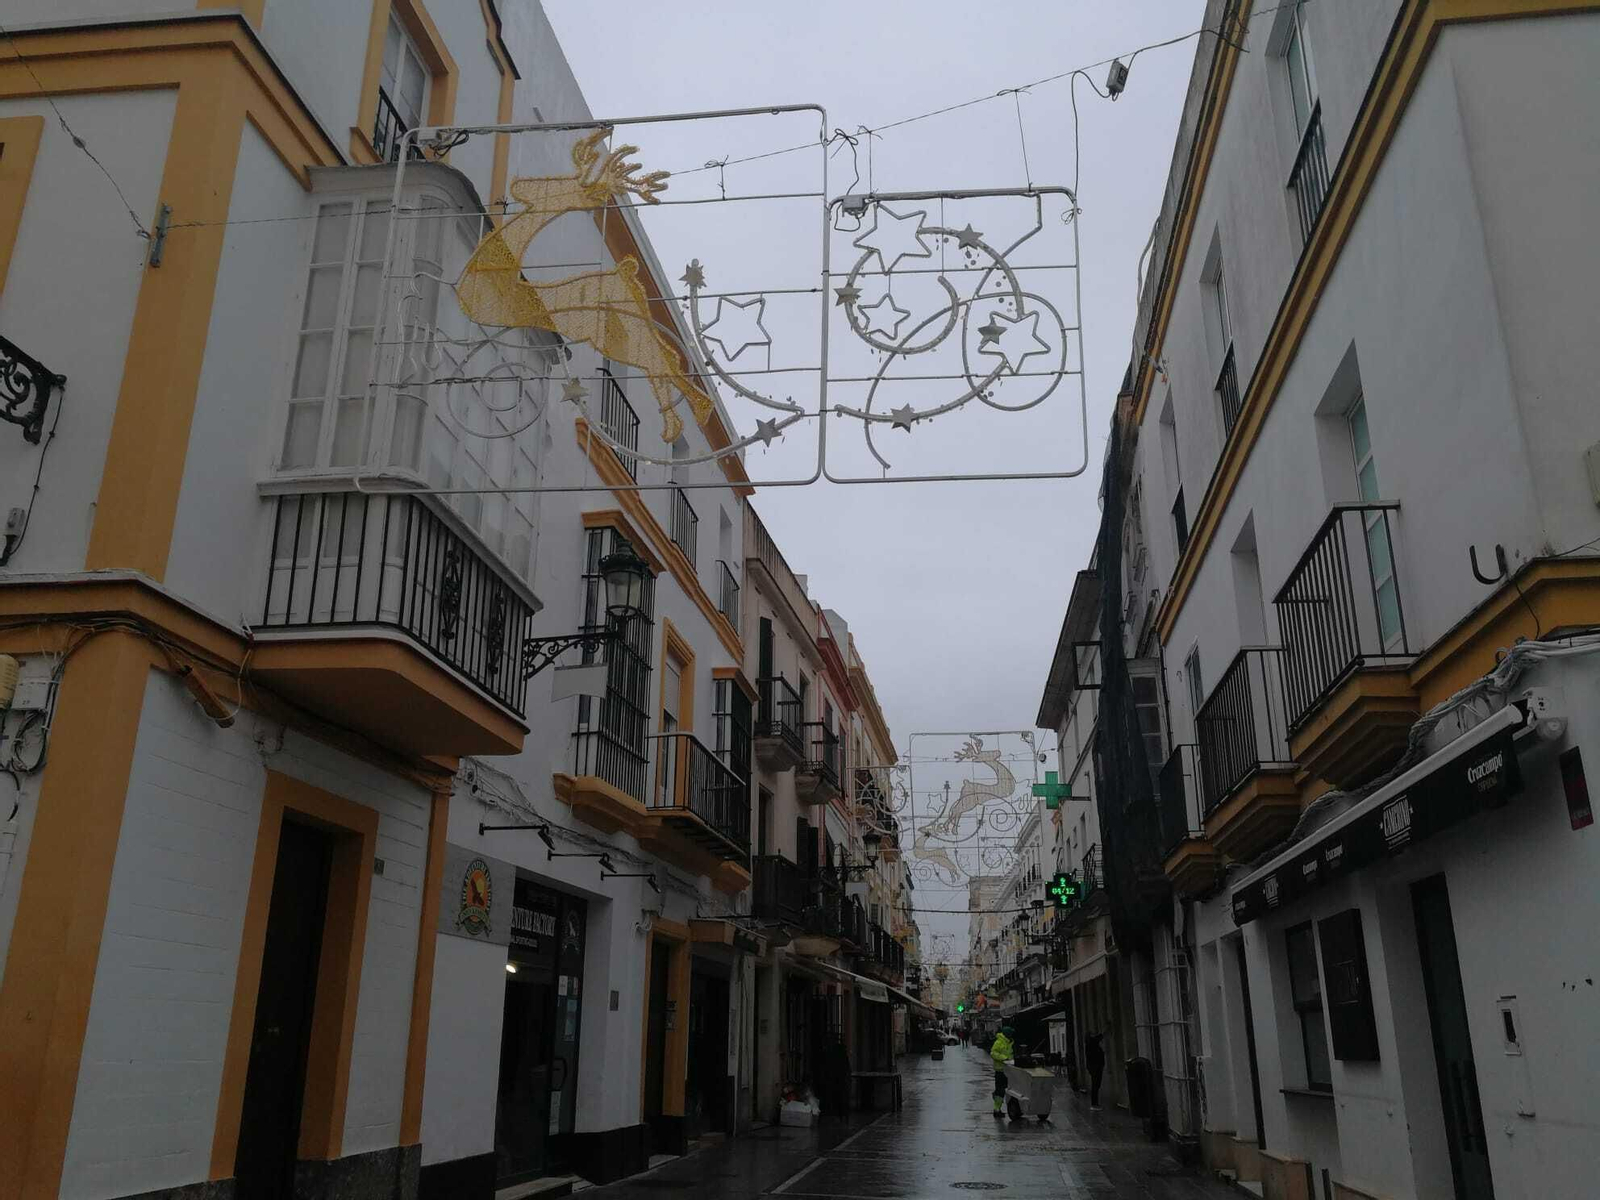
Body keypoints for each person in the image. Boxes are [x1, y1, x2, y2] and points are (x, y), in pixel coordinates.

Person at [989, 1023, 1016, 1117]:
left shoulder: (1009, 1042)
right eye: (1010, 1033)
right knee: (1000, 1090)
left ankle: (997, 1103)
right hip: (1000, 1070)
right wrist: (1004, 1058)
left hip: (1009, 1069)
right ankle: (997, 1110)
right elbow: (993, 1053)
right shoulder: (999, 1042)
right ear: (1007, 1034)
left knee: (1006, 1089)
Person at [1084, 1031, 1106, 1111]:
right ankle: (1094, 1104)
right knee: (1095, 1085)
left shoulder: (1090, 1044)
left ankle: (1095, 1103)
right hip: (1095, 1067)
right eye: (1092, 1034)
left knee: (1096, 1085)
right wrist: (1104, 1032)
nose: (1094, 1035)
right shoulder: (1091, 1043)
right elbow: (1098, 1038)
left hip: (1094, 1067)